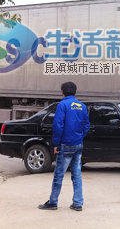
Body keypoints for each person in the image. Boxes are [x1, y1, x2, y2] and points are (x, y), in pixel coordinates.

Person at [39, 82, 90, 211]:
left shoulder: (62, 105)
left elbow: (58, 125)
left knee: (59, 174)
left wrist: (56, 143)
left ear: (62, 92)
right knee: (77, 173)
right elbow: (86, 126)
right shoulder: (82, 106)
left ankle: (53, 202)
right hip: (78, 144)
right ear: (75, 92)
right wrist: (79, 137)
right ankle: (78, 203)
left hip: (65, 144)